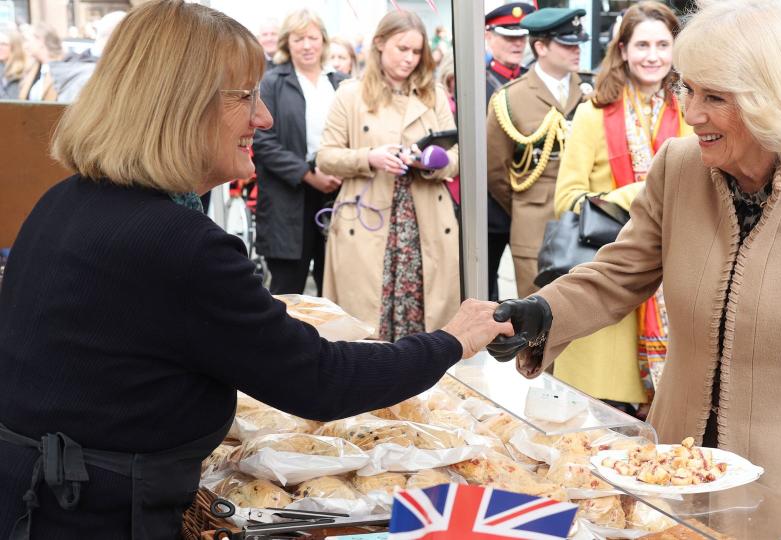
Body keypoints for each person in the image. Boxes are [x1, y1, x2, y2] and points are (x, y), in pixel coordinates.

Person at [0, 2, 510, 538]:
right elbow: (320, 380)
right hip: (92, 517)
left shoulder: (68, 199)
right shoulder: (180, 243)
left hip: (38, 500)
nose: (263, 118)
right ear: (177, 108)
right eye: (245, 96)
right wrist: (452, 340)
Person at [489, 1, 781, 538]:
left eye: (714, 97)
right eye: (687, 89)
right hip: (673, 474)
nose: (692, 113)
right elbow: (619, 273)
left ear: (774, 100)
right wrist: (542, 310)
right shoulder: (679, 165)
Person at [551, 2, 691, 417]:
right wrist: (642, 192)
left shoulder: (693, 110)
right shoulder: (593, 112)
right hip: (611, 278)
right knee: (601, 428)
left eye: (663, 45)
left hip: (677, 278)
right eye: (642, 44)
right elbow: (567, 199)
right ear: (624, 49)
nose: (653, 55)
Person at [317, 10, 459, 341]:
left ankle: (421, 388)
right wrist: (371, 157)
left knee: (422, 318)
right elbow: (326, 156)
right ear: (379, 44)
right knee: (364, 327)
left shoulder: (433, 94)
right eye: (402, 49)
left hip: (424, 222)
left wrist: (433, 161)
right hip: (367, 221)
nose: (409, 59)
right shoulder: (350, 94)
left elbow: (456, 155)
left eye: (416, 51)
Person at [487, 7, 590, 298]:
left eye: (578, 42)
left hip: (586, 222)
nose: (576, 49)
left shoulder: (591, 89)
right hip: (533, 228)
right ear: (541, 47)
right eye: (567, 43)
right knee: (534, 323)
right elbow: (495, 170)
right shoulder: (510, 98)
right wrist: (525, 205)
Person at [253, 9, 345, 295]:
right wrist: (307, 174)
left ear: (323, 41)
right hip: (288, 197)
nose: (306, 45)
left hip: (338, 193)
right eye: (298, 38)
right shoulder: (272, 83)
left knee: (335, 287)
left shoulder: (341, 82)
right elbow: (262, 140)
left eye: (312, 37)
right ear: (286, 43)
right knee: (288, 289)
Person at [484, 2, 535, 301]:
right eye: (508, 37)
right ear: (489, 37)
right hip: (490, 208)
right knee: (483, 290)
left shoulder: (532, 79)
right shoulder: (474, 82)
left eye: (521, 37)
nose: (517, 44)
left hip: (529, 202)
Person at [18, 23, 63, 101]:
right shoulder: (32, 68)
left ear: (40, 41)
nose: (25, 45)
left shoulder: (62, 68)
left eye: (28, 40)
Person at [0, 29, 28, 99]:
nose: (0, 47)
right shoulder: (2, 66)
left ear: (15, 47)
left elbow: (12, 102)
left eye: (4, 44)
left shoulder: (21, 70)